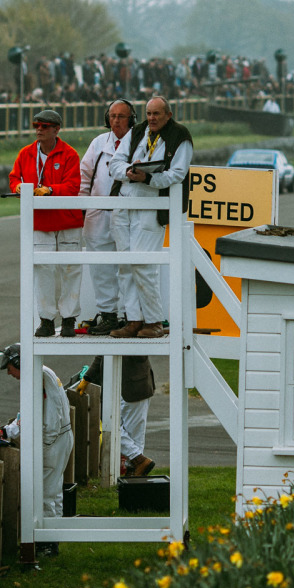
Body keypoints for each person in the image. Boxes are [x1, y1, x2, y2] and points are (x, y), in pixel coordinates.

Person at [108, 96, 193, 339]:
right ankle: (134, 320)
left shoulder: (180, 136)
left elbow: (177, 174)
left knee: (143, 264)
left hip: (152, 204)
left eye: (157, 113)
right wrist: (129, 171)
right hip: (124, 200)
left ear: (168, 115)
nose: (152, 118)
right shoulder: (137, 132)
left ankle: (154, 321)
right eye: (149, 113)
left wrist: (148, 178)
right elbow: (114, 163)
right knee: (125, 265)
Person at [9, 109, 84, 338]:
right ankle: (46, 319)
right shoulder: (26, 153)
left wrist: (50, 190)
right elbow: (14, 177)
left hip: (68, 220)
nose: (39, 130)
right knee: (43, 270)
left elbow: (73, 186)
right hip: (40, 221)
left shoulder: (69, 154)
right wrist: (17, 187)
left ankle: (69, 318)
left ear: (56, 129)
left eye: (44, 126)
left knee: (70, 269)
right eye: (36, 126)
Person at [0, 343, 74, 519]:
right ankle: (55, 530)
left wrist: (44, 445)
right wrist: (5, 432)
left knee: (44, 494)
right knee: (54, 491)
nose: (9, 373)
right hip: (60, 438)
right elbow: (28, 414)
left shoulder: (38, 377)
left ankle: (47, 534)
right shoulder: (40, 373)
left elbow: (41, 416)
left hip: (53, 441)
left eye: (9, 368)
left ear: (18, 362)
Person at [77, 99, 134, 335]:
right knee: (101, 268)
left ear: (131, 119)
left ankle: (131, 317)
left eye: (121, 116)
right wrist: (82, 207)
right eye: (112, 116)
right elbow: (84, 175)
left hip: (128, 214)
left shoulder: (139, 142)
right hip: (98, 214)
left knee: (130, 266)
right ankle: (108, 315)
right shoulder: (99, 143)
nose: (116, 121)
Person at [85, 354, 156, 476]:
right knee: (111, 425)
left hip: (136, 386)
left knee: (133, 434)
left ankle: (135, 468)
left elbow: (141, 355)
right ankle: (137, 462)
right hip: (121, 388)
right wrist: (87, 378)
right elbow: (102, 354)